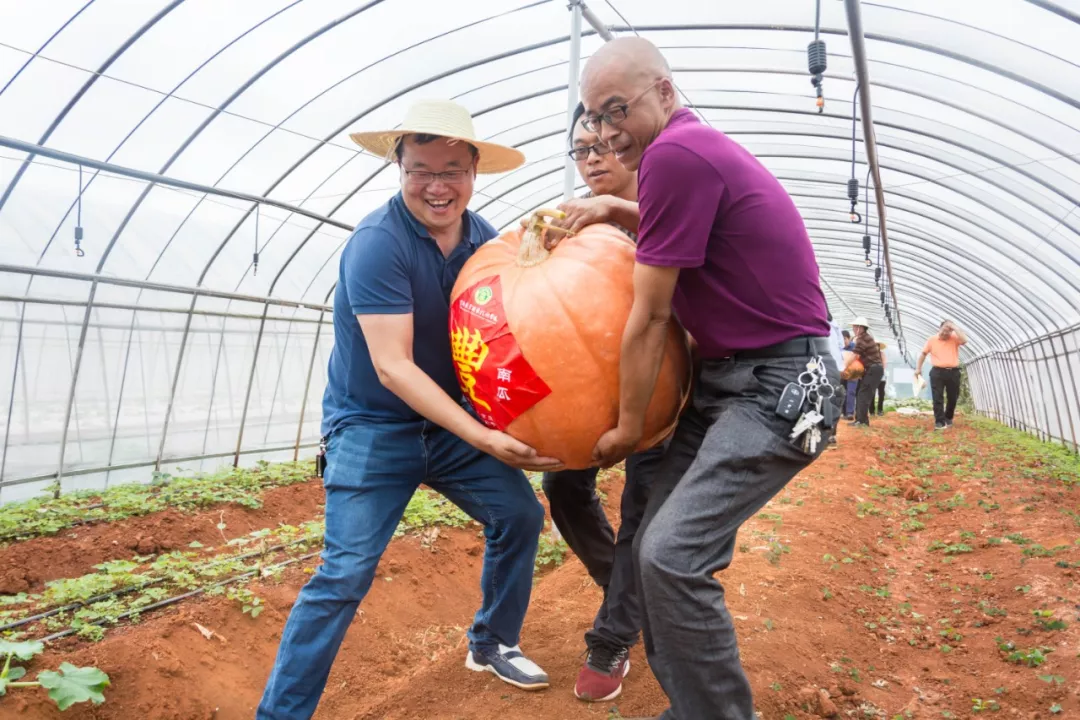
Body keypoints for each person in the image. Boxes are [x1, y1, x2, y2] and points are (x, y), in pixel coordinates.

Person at [556, 36, 841, 720]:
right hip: (730, 382)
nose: (605, 132)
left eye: (617, 109)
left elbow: (652, 316)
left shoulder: (676, 156)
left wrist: (628, 428)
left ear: (663, 92)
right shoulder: (682, 151)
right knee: (653, 547)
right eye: (594, 117)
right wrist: (614, 209)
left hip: (780, 387)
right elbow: (693, 234)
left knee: (670, 556)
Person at [257, 100, 563, 720]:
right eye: (421, 169)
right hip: (372, 426)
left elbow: (519, 325)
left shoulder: (486, 244)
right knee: (343, 574)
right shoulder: (378, 243)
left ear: (475, 171)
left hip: (446, 424)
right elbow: (393, 368)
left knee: (520, 516)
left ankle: (492, 642)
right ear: (399, 167)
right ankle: (281, 715)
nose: (437, 185)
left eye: (452, 170)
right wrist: (485, 437)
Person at [540, 102, 664, 704]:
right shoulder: (573, 221)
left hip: (667, 392)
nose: (593, 160)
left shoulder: (669, 202)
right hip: (589, 392)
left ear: (633, 143)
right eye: (581, 150)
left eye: (606, 146)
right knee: (563, 488)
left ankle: (612, 635)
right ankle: (625, 588)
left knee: (643, 508)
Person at [915, 320, 968, 429]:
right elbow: (923, 354)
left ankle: (948, 418)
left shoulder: (954, 338)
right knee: (937, 397)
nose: (945, 334)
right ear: (940, 329)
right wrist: (918, 369)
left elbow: (965, 340)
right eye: (943, 330)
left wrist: (954, 327)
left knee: (953, 397)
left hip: (953, 372)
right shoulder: (932, 340)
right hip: (937, 372)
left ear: (951, 331)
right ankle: (939, 421)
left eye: (948, 331)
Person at [848, 317, 884, 427]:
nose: (853, 328)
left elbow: (855, 355)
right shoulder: (865, 337)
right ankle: (861, 420)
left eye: (855, 326)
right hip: (871, 369)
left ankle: (862, 421)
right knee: (862, 394)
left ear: (860, 328)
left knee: (863, 395)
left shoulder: (862, 339)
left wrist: (844, 366)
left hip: (874, 369)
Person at [842, 330, 857, 419]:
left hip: (853, 372)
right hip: (842, 372)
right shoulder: (839, 347)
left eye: (845, 339)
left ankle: (850, 413)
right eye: (841, 339)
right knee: (842, 391)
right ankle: (844, 412)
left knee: (851, 391)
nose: (843, 341)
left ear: (849, 338)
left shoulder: (854, 347)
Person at [876, 342, 888, 416]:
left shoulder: (882, 354)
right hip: (872, 376)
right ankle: (871, 410)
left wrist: (880, 371)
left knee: (881, 393)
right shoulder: (870, 354)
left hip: (881, 376)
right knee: (872, 393)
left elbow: (884, 364)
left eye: (877, 346)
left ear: (879, 347)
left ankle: (880, 410)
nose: (875, 347)